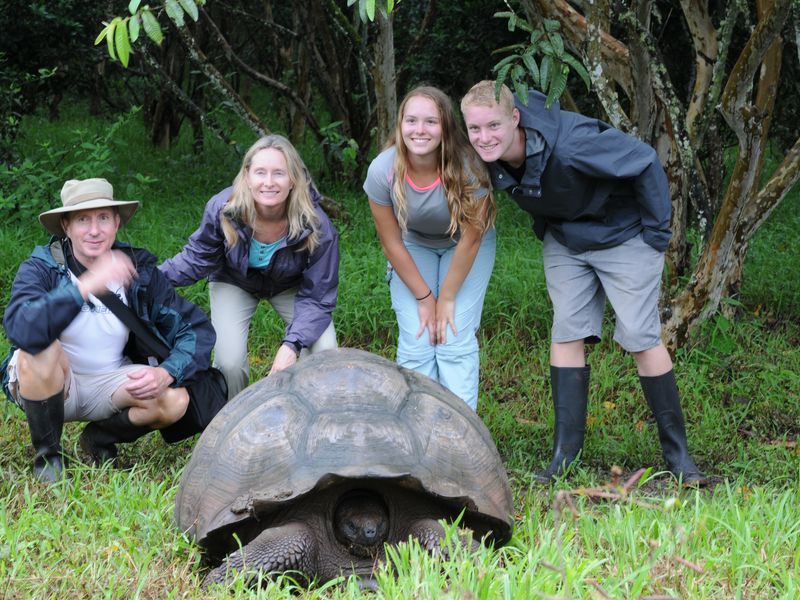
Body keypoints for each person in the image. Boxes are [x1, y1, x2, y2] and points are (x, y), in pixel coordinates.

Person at [461, 80, 707, 485]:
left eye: (493, 126)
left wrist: (657, 237)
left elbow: (645, 160)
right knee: (567, 331)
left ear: (515, 119)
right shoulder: (483, 155)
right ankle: (565, 457)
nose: (484, 138)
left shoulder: (574, 144)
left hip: (624, 235)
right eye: (474, 129)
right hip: (566, 238)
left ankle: (678, 456)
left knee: (640, 337)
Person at [2, 178, 217, 483]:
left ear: (116, 223)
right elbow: (20, 328)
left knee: (175, 401)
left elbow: (196, 330)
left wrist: (167, 372)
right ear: (66, 226)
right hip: (55, 382)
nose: (94, 230)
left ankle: (98, 439)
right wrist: (87, 286)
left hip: (110, 382)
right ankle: (48, 458)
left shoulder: (138, 272)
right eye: (82, 220)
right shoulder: (42, 268)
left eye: (103, 218)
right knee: (40, 347)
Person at [160, 134, 339, 399]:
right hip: (234, 280)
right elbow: (196, 258)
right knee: (229, 363)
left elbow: (319, 296)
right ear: (246, 175)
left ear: (293, 179)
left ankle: (306, 412)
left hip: (290, 284)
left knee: (324, 348)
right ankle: (232, 426)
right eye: (260, 172)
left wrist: (291, 346)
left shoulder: (318, 225)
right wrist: (148, 277)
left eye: (279, 173)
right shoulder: (224, 209)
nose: (268, 182)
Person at [363, 85, 496, 411]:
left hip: (465, 245)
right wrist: (425, 298)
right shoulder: (383, 170)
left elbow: (472, 237)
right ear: (400, 125)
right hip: (413, 245)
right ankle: (416, 430)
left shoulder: (469, 166)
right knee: (417, 340)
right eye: (411, 121)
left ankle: (460, 435)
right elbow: (391, 241)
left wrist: (446, 298)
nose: (419, 130)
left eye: (430, 122)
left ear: (445, 127)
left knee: (453, 338)